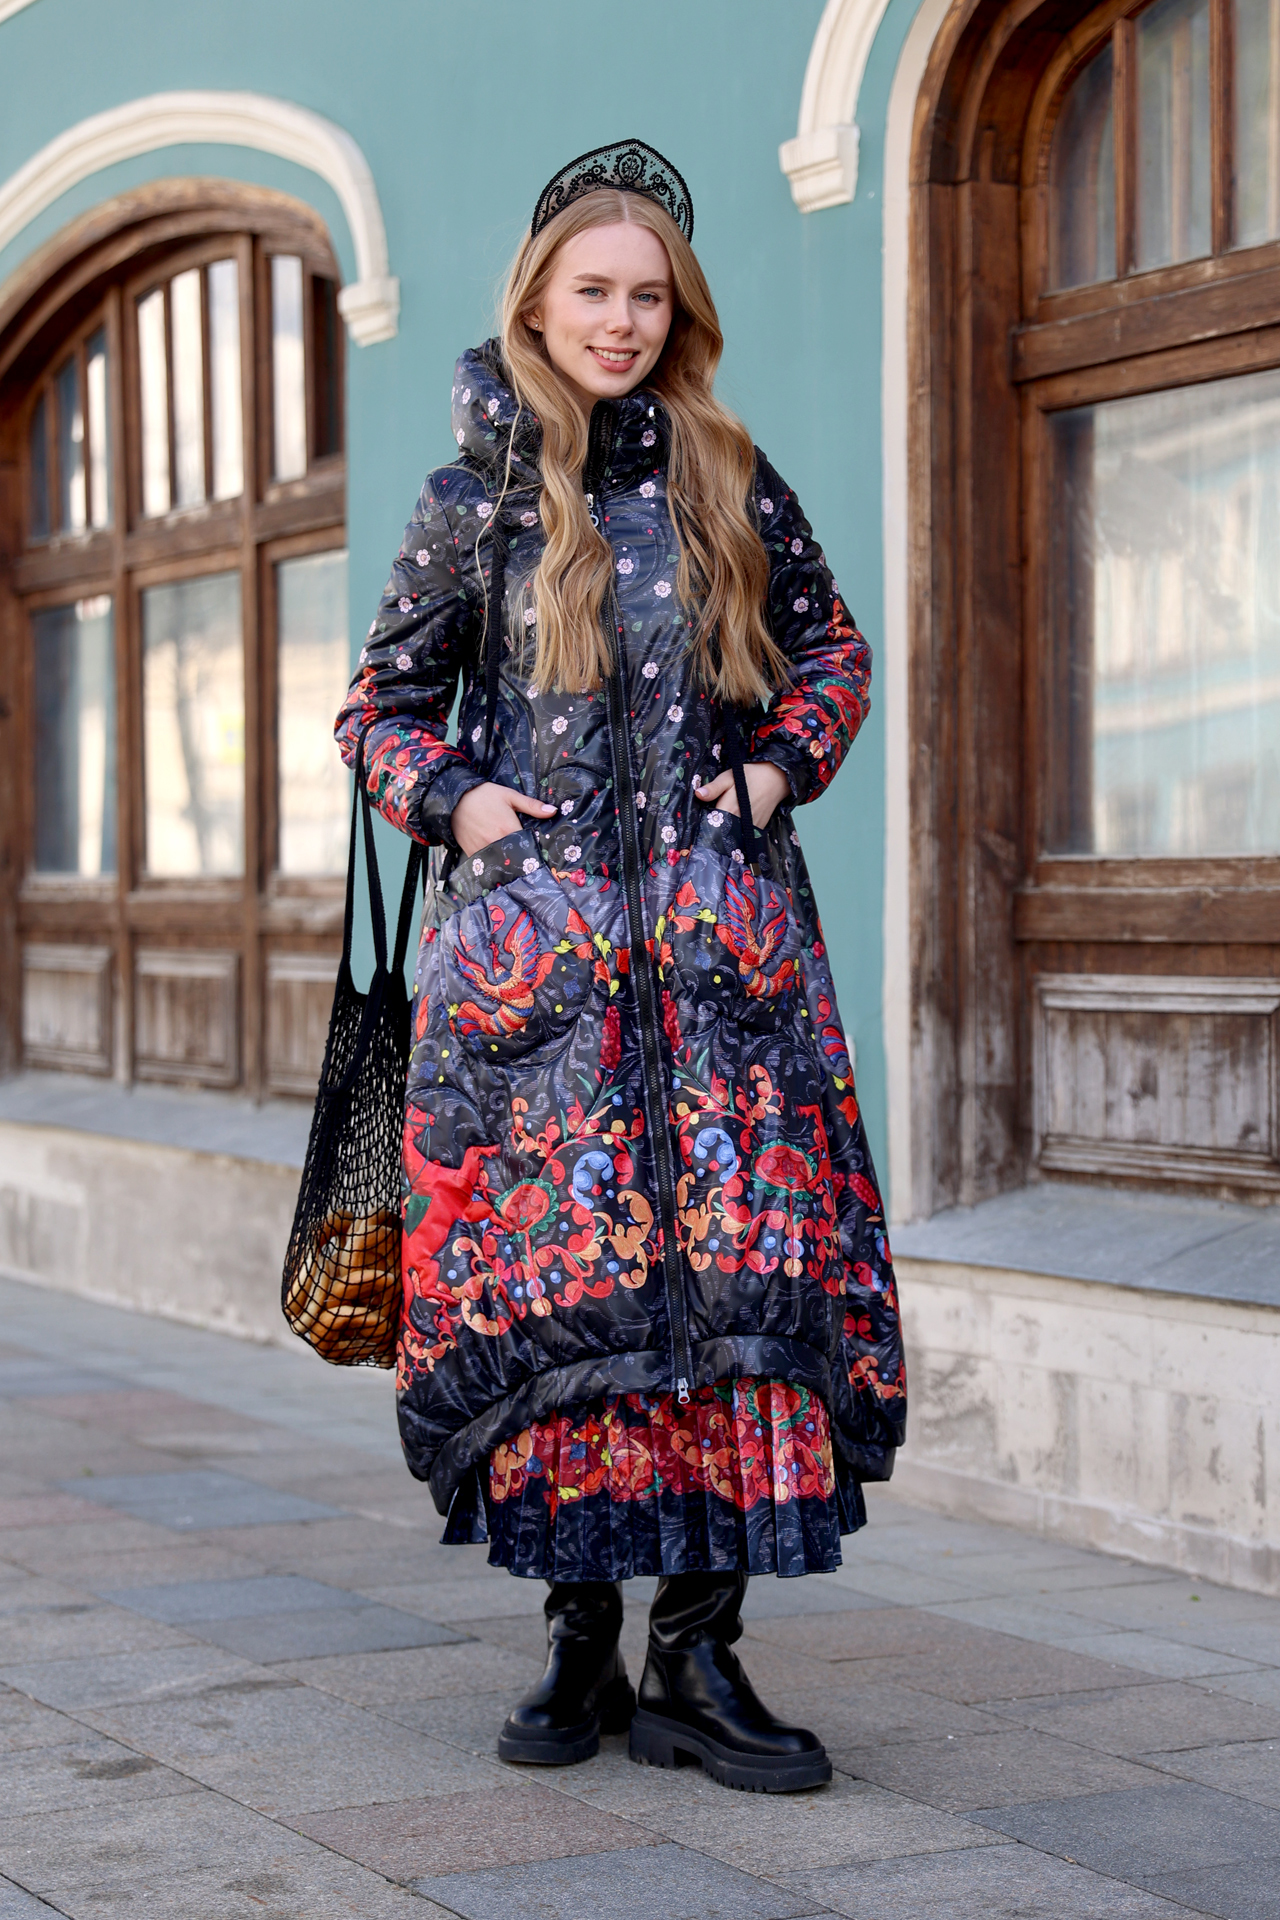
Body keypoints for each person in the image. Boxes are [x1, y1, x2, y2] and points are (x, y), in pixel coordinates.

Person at [335, 140, 905, 1795]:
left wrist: (777, 772)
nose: (622, 320)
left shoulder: (729, 474)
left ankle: (697, 1655)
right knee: (566, 1305)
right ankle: (580, 1636)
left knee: (726, 1307)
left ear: (679, 313)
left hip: (728, 985)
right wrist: (464, 804)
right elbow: (378, 710)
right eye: (594, 290)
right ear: (536, 303)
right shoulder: (475, 502)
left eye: (649, 295)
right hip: (537, 1000)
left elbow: (834, 649)